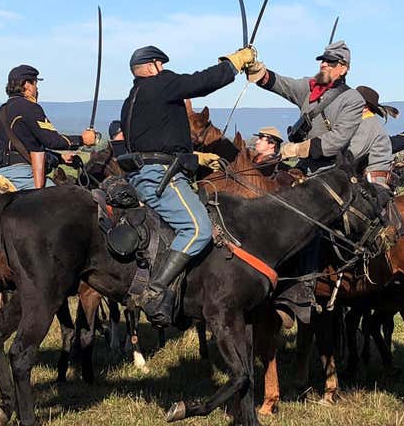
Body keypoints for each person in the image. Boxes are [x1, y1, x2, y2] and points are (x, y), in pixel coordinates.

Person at [120, 43, 254, 327]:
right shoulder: (160, 83)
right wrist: (233, 63)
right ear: (153, 66)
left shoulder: (133, 97)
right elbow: (200, 82)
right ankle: (156, 291)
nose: (166, 70)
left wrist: (197, 157)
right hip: (160, 177)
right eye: (162, 65)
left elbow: (157, 140)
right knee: (199, 229)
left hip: (146, 173)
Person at [244, 41, 366, 173]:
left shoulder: (353, 99)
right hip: (303, 165)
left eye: (331, 62)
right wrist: (257, 70)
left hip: (331, 170)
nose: (323, 64)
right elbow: (282, 84)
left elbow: (337, 140)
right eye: (323, 60)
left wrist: (297, 149)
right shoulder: (309, 87)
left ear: (343, 68)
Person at [0, 65, 93, 191]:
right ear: (27, 85)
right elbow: (52, 140)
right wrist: (82, 139)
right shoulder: (30, 107)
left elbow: (28, 147)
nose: (37, 89)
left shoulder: (3, 110)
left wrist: (61, 158)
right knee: (63, 199)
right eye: (35, 84)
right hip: (20, 175)